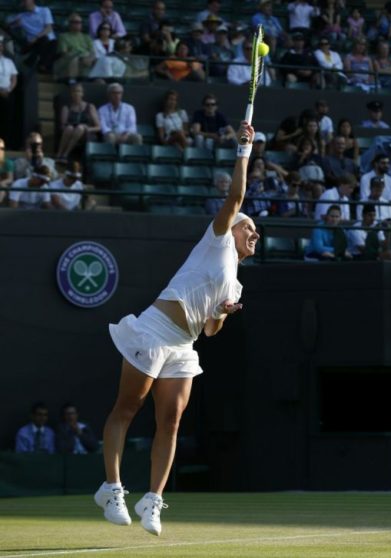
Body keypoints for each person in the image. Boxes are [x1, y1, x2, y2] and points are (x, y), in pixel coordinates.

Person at [95, 121, 260, 536]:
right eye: (249, 227)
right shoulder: (218, 239)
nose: (254, 233)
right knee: (128, 408)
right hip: (153, 332)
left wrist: (224, 312)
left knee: (170, 421)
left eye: (256, 232)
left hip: (184, 346)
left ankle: (152, 501)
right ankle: (111, 488)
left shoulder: (236, 284)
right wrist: (244, 149)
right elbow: (236, 196)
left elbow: (211, 331)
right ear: (232, 228)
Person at [7, 0, 57, 73]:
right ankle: (41, 65)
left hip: (45, 40)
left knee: (49, 41)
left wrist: (36, 37)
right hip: (32, 43)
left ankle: (35, 61)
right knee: (47, 43)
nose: (24, 3)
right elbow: (8, 24)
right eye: (23, 2)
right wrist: (14, 23)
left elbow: (49, 28)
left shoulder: (44, 10)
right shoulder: (21, 17)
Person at [56, 85, 100, 165]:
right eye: (74, 91)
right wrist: (69, 127)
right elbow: (63, 125)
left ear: (82, 93)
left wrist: (88, 129)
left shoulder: (90, 107)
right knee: (69, 128)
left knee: (80, 128)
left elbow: (98, 127)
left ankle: (65, 154)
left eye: (79, 91)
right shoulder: (67, 107)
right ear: (71, 94)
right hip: (70, 131)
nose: (76, 93)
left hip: (86, 133)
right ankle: (59, 154)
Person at [54, 13, 95, 82]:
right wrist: (80, 57)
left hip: (86, 59)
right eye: (76, 22)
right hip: (70, 59)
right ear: (70, 24)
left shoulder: (87, 37)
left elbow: (92, 52)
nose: (79, 24)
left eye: (80, 22)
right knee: (75, 59)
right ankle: (72, 81)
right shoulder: (63, 36)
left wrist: (90, 58)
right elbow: (64, 53)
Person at [0, 39, 19, 143]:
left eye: (1, 45)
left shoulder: (9, 62)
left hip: (7, 93)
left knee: (7, 118)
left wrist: (9, 89)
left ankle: (5, 141)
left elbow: (14, 78)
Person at [0, 138, 13, 204]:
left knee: (3, 185)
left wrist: (2, 182)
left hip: (4, 187)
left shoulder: (8, 163)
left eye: (2, 148)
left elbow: (10, 179)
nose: (0, 151)